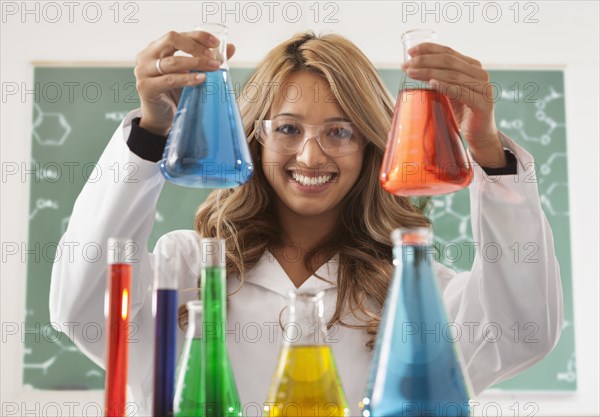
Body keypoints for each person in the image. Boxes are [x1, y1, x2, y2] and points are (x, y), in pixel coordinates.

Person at [49, 30, 563, 416]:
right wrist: (153, 134)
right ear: (253, 138)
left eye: (340, 130)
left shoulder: (414, 290)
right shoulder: (185, 268)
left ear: (370, 146)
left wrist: (488, 154)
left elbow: (521, 330)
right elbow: (84, 309)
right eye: (288, 128)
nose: (310, 155)